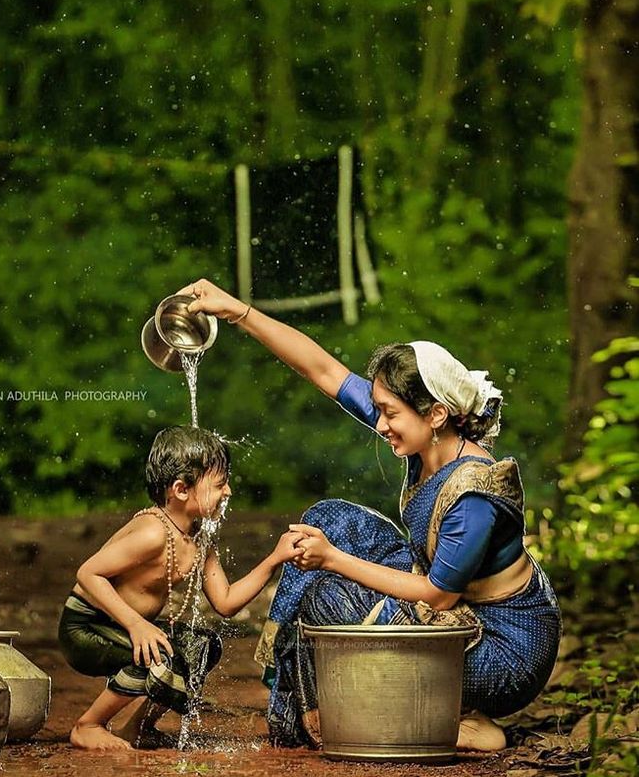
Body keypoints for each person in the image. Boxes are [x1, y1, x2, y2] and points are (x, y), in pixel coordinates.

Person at [180, 278, 562, 752]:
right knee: (327, 518)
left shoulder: (473, 496)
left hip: (502, 651)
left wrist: (333, 560)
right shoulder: (427, 441)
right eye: (378, 409)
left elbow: (437, 597)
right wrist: (236, 311)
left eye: (390, 414)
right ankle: (292, 688)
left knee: (330, 597)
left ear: (437, 414)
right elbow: (321, 369)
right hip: (459, 609)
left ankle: (448, 717)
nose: (380, 424)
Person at [58, 425, 303, 751]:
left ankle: (137, 729)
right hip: (87, 627)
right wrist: (136, 625)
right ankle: (88, 725)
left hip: (130, 628)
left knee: (201, 647)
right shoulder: (153, 533)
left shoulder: (200, 538)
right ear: (181, 490)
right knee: (160, 658)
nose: (228, 491)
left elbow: (226, 602)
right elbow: (88, 573)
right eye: (219, 485)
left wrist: (275, 559)